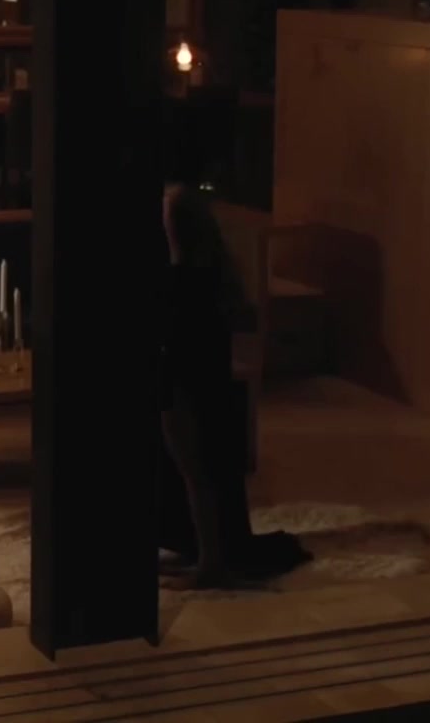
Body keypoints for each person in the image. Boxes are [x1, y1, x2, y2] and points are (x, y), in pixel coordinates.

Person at [157, 181, 308, 587]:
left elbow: (186, 338)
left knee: (197, 470)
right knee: (194, 469)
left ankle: (212, 564)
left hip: (189, 381)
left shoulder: (190, 278)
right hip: (193, 377)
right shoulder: (204, 272)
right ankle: (202, 550)